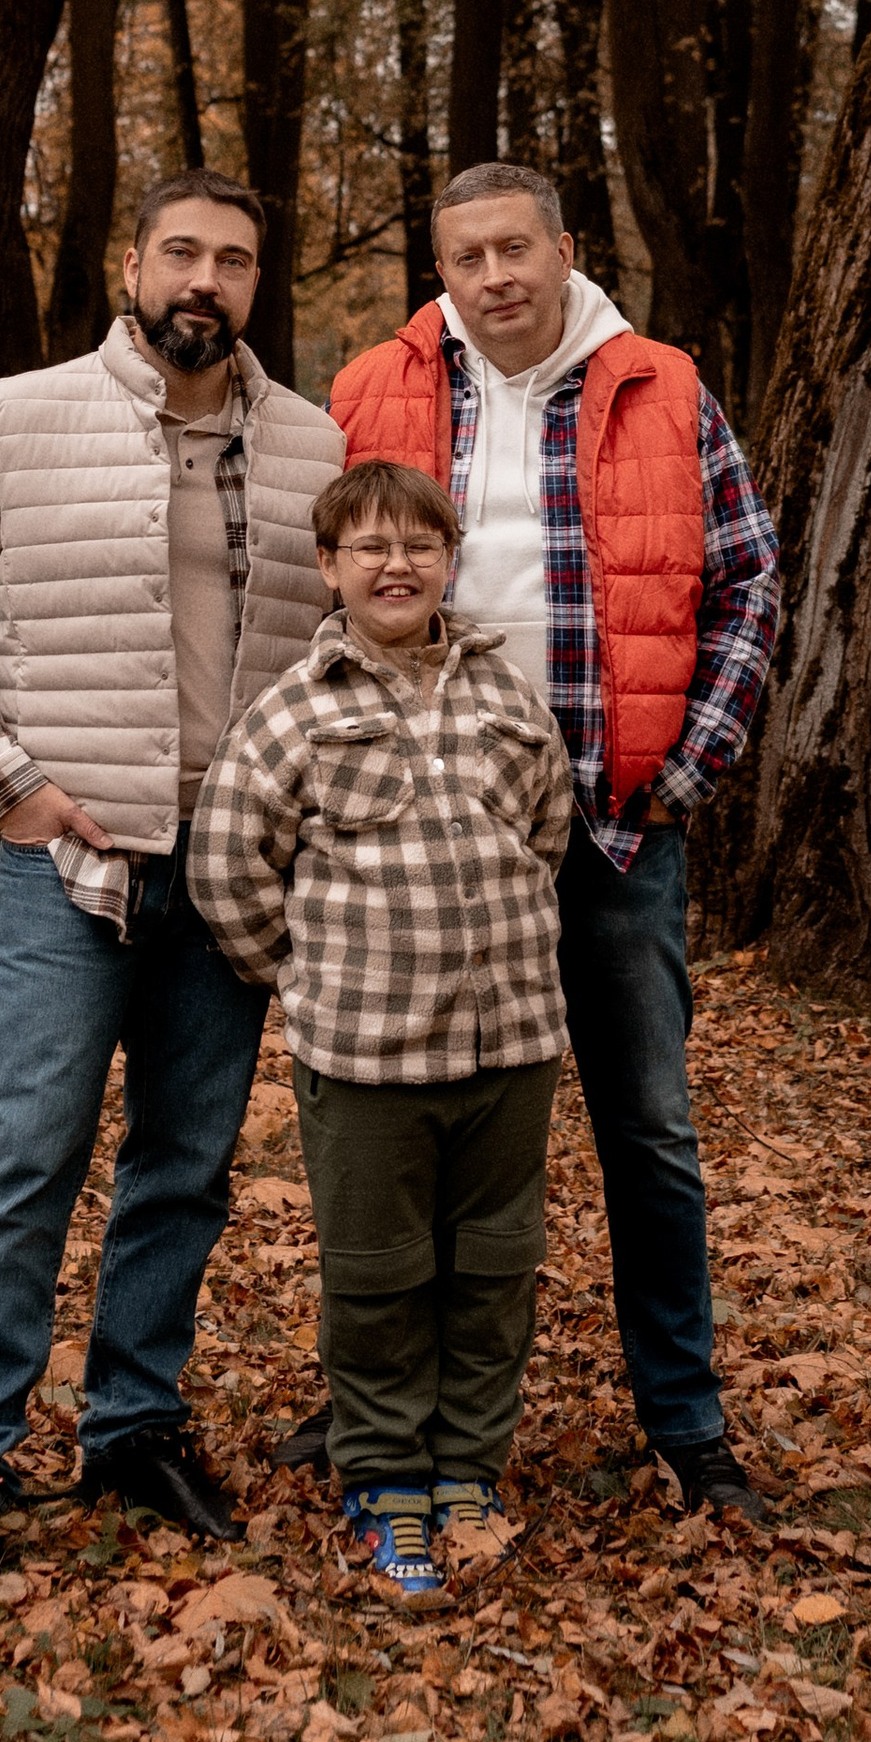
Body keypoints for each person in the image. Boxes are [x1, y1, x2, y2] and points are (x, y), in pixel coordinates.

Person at [0, 167, 342, 1614]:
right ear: (129, 264)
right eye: (183, 251)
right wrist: (7, 775)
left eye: (237, 260)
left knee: (185, 1165)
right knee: (24, 1154)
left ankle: (134, 1426)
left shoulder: (309, 441)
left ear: (259, 284)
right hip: (67, 863)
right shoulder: (22, 414)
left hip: (227, 869)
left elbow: (340, 642)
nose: (207, 278)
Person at [323, 161, 782, 1523]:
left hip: (613, 832)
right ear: (444, 267)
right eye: (467, 254)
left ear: (565, 247)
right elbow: (321, 582)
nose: (494, 273)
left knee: (645, 1129)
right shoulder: (374, 388)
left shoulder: (663, 383)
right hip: (425, 836)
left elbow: (751, 576)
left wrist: (687, 768)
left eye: (516, 245)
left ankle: (686, 1421)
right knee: (404, 1134)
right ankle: (383, 1411)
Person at [189, 459, 575, 1610]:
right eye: (368, 546)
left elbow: (546, 827)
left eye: (418, 543)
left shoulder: (507, 696)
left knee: (493, 1265)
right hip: (364, 1058)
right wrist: (314, 977)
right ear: (330, 568)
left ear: (449, 558)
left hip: (510, 1042)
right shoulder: (296, 711)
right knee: (380, 1274)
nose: (395, 564)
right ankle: (385, 1476)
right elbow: (228, 871)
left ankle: (467, 1462)